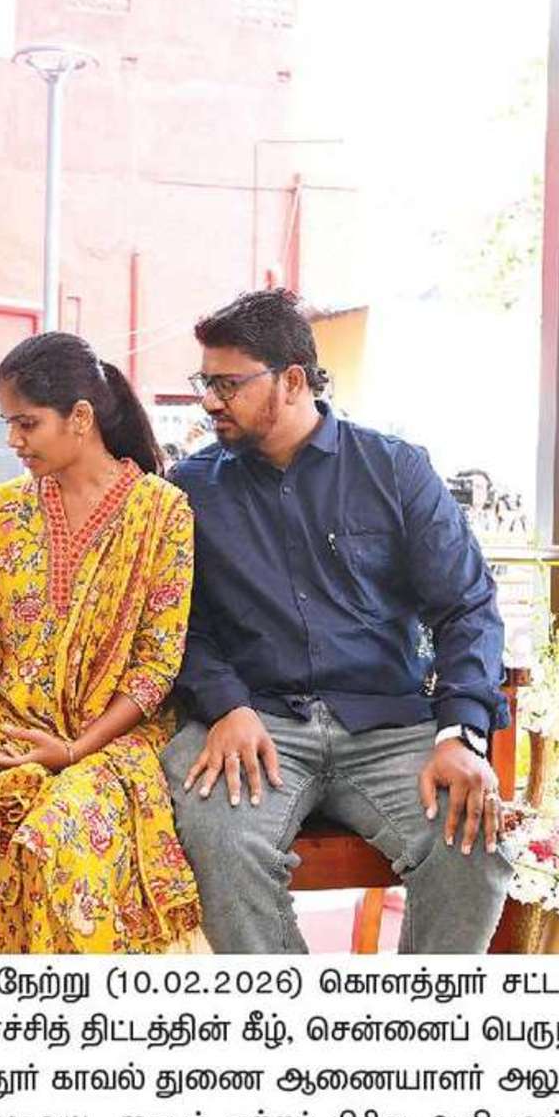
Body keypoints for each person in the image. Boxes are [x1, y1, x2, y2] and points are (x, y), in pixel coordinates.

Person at [164, 289, 511, 954]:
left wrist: (460, 734)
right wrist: (226, 705)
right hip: (256, 726)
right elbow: (177, 625)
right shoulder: (192, 490)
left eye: (228, 384)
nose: (209, 401)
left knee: (474, 844)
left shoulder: (394, 471)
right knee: (222, 842)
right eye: (204, 382)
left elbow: (465, 605)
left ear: (293, 380)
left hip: (388, 726)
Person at [0, 332, 200, 953]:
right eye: (8, 423)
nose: (13, 440)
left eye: (26, 423)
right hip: (7, 736)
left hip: (110, 744)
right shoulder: (3, 511)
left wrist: (73, 749)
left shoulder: (163, 513)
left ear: (80, 418)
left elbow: (157, 665)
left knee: (62, 841)